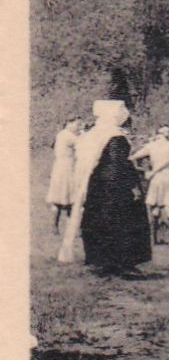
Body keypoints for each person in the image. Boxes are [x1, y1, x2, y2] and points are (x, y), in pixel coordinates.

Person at [58, 99, 152, 275]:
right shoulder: (115, 137)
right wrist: (133, 186)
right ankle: (123, 263)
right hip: (114, 186)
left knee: (98, 220)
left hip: (96, 185)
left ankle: (100, 260)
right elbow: (118, 165)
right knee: (122, 222)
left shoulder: (92, 134)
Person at [46, 118, 83, 233]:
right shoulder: (66, 135)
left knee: (67, 198)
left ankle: (64, 228)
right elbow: (81, 143)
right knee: (66, 197)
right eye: (77, 124)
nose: (79, 127)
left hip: (64, 167)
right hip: (66, 168)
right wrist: (84, 133)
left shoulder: (63, 134)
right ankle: (56, 227)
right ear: (69, 123)